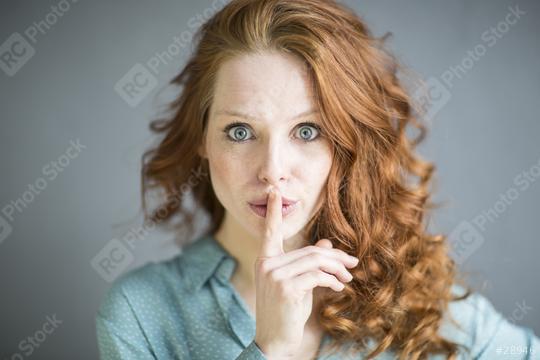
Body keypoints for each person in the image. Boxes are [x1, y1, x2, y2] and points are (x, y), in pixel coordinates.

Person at [95, 0, 540, 359]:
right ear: (202, 140)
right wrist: (271, 350)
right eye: (240, 131)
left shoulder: (419, 303)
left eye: (307, 131)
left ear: (346, 145)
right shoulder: (143, 314)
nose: (272, 169)